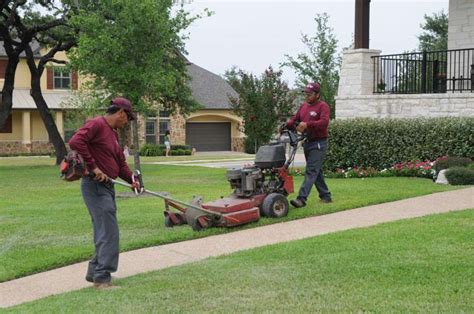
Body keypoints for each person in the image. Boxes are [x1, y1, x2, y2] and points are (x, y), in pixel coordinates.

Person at [69, 97, 140, 289]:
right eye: (128, 118)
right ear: (120, 113)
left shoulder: (112, 133)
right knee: (109, 232)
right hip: (95, 186)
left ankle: (95, 272)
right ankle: (102, 279)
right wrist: (94, 167)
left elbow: (120, 163)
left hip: (107, 187)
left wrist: (133, 180)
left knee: (104, 230)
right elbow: (76, 141)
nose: (128, 122)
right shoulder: (97, 124)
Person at [286, 82, 332, 208]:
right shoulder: (303, 106)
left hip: (318, 143)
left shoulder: (323, 106)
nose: (307, 96)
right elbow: (295, 119)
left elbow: (324, 122)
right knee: (316, 171)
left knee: (311, 171)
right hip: (307, 143)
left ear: (317, 95)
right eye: (305, 93)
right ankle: (326, 196)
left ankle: (301, 199)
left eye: (310, 94)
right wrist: (287, 125)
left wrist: (308, 124)